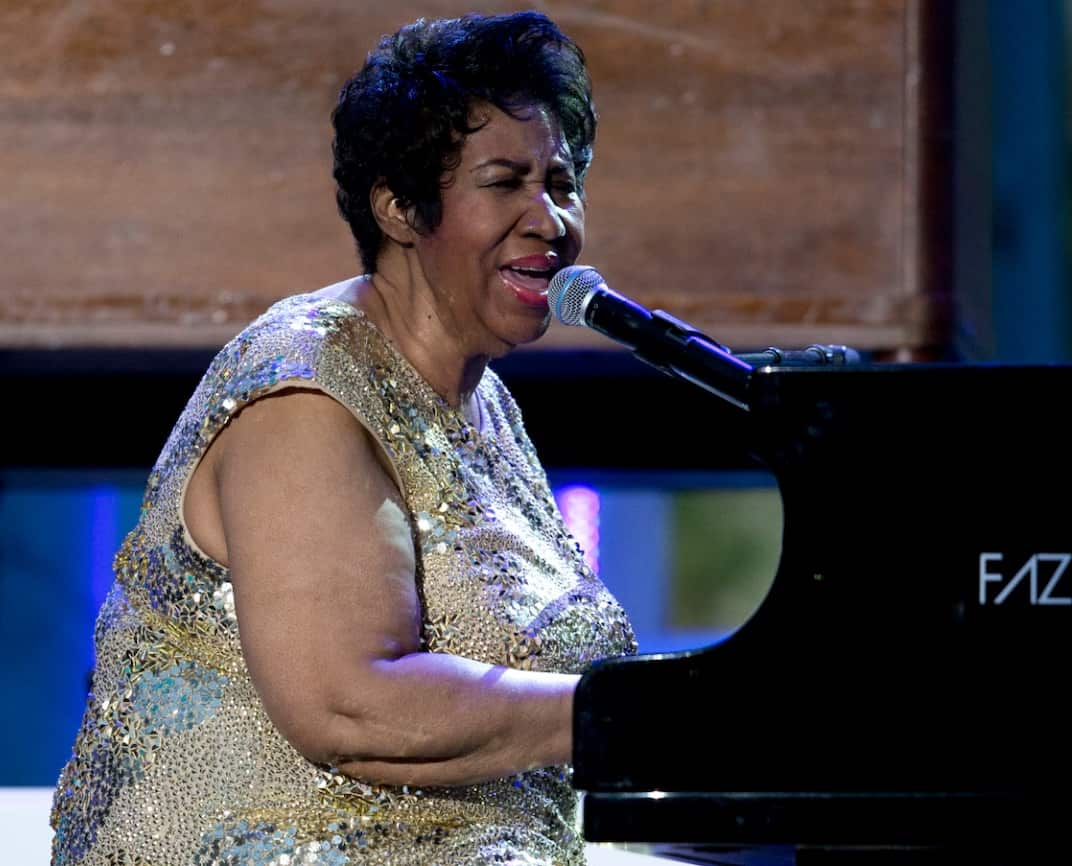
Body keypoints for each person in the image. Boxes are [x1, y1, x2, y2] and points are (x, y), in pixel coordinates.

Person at [50, 12, 636, 866]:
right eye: (506, 181)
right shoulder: (304, 391)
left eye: (563, 180)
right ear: (401, 209)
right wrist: (637, 719)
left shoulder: (484, 403)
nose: (550, 219)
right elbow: (349, 708)